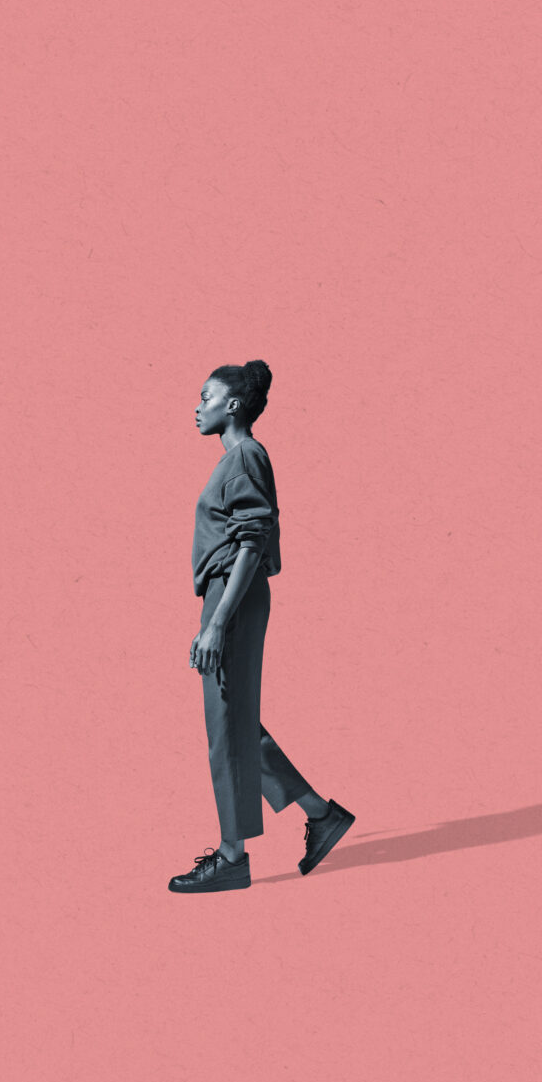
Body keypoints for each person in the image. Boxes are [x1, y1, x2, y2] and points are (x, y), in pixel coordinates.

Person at [168, 359, 358, 893]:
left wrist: (216, 624)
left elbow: (252, 542)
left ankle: (233, 856)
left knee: (225, 728)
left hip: (234, 597)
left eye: (205, 396)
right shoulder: (238, 460)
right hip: (229, 596)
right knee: (234, 722)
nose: (196, 406)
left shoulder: (246, 456)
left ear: (232, 405)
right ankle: (320, 815)